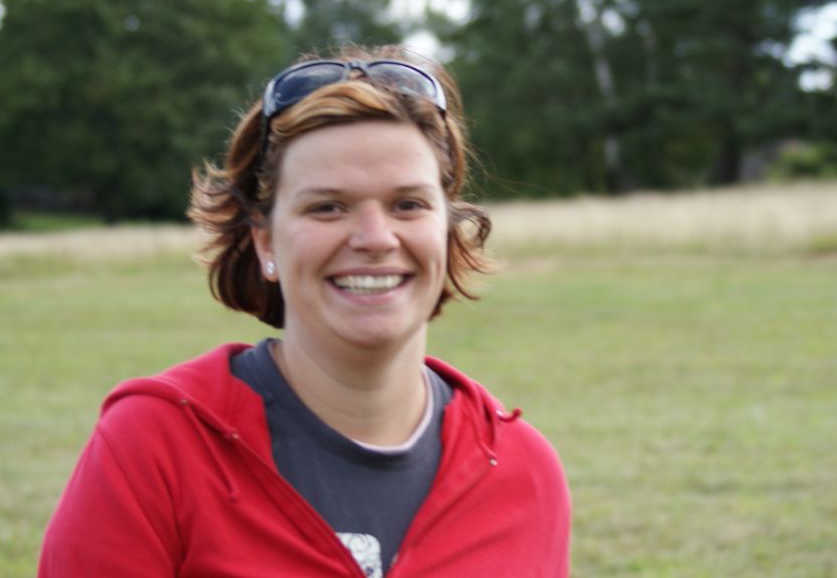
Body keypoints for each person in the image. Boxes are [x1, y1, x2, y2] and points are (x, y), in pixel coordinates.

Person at [38, 45, 571, 577]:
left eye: (408, 204)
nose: (375, 238)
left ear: (447, 229)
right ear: (266, 241)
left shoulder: (523, 471)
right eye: (327, 207)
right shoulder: (155, 445)